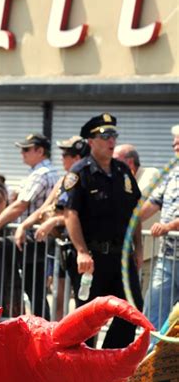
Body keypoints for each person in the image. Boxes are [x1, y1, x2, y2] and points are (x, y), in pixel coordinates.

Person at [63, 113, 143, 359]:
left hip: (120, 256)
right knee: (89, 314)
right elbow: (70, 213)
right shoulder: (80, 172)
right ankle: (80, 365)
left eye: (114, 136)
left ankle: (110, 360)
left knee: (132, 308)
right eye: (105, 136)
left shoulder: (122, 171)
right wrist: (82, 251)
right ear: (91, 141)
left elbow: (135, 211)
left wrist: (138, 249)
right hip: (93, 257)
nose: (111, 140)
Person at [0, 133, 58, 318]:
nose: (22, 153)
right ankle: (40, 330)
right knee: (36, 291)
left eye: (26, 149)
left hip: (32, 237)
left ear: (40, 151)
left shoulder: (42, 173)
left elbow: (20, 205)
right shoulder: (45, 172)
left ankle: (27, 326)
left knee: (33, 290)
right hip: (35, 237)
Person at [14, 136, 88, 320]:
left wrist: (53, 221)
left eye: (66, 154)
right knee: (58, 302)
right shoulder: (64, 179)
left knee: (83, 304)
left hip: (83, 249)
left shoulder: (88, 180)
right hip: (63, 249)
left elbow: (78, 215)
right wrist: (24, 225)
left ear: (77, 158)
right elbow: (43, 209)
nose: (62, 158)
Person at [139, 126, 179, 338]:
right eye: (174, 141)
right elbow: (154, 203)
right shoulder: (171, 174)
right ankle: (150, 363)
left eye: (178, 141)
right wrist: (131, 220)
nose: (174, 145)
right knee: (154, 311)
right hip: (167, 256)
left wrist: (169, 227)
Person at [113, 143, 161, 295]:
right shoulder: (119, 178)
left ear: (129, 161)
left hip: (149, 253)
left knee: (146, 300)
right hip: (128, 253)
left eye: (115, 159)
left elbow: (136, 207)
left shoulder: (150, 174)